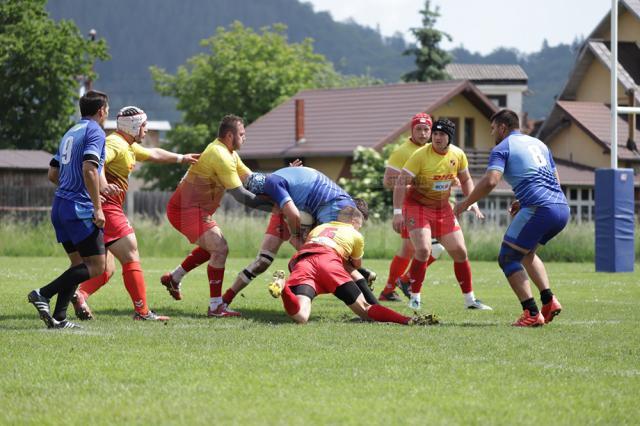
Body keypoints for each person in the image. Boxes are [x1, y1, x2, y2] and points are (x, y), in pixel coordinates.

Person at [161, 166, 378, 312]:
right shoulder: (271, 186)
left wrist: (297, 235)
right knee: (265, 261)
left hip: (299, 212)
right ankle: (225, 300)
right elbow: (287, 209)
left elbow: (289, 206)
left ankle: (361, 298)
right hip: (291, 212)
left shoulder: (273, 185)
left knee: (321, 259)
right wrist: (295, 234)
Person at [69, 106, 199, 321]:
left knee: (106, 268)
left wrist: (182, 158)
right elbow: (97, 164)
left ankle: (80, 294)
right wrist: (102, 187)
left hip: (106, 208)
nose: (146, 130)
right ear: (134, 126)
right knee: (131, 252)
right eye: (144, 126)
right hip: (108, 208)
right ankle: (142, 312)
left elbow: (153, 153)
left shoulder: (127, 145)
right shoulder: (114, 143)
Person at [454, 109, 568, 327]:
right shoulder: (540, 144)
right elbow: (554, 180)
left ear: (502, 127)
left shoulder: (502, 147)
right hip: (561, 207)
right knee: (526, 253)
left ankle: (532, 313)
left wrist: (464, 204)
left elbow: (490, 181)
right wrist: (524, 201)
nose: (492, 133)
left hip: (540, 208)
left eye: (493, 128)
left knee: (507, 257)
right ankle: (549, 301)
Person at [161, 114, 273, 317]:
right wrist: (276, 207)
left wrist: (282, 181)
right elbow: (241, 196)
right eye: (242, 133)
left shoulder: (229, 153)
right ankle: (215, 307)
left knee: (212, 248)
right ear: (230, 135)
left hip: (196, 211)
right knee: (220, 248)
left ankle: (174, 277)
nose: (245, 137)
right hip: (184, 211)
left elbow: (252, 180)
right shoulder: (220, 155)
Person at [267, 206, 438, 326]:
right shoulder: (355, 234)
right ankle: (407, 320)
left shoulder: (320, 227)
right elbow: (355, 265)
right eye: (360, 224)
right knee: (365, 309)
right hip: (329, 262)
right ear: (354, 220)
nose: (360, 228)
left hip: (304, 262)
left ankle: (283, 287)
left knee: (301, 316)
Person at [27, 90, 111, 329]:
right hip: (79, 209)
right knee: (97, 266)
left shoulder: (71, 131)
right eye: (107, 109)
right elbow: (90, 169)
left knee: (78, 265)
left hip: (60, 207)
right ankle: (42, 293)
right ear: (101, 111)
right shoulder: (95, 131)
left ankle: (60, 318)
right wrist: (97, 207)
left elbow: (52, 173)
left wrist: (68, 188)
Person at [392, 118, 492, 311]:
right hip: (417, 206)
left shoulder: (458, 154)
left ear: (449, 137)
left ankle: (470, 300)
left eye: (442, 134)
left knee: (460, 251)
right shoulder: (421, 155)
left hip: (442, 208)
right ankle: (415, 297)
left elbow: (466, 179)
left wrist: (472, 202)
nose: (437, 137)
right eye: (435, 134)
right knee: (423, 250)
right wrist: (397, 213)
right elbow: (400, 182)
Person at [379, 112, 445, 302]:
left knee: (409, 250)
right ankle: (403, 282)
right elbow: (388, 181)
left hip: (429, 208)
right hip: (412, 208)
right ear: (412, 130)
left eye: (427, 129)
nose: (423, 133)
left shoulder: (434, 150)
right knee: (436, 248)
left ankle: (390, 289)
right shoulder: (403, 151)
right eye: (419, 129)